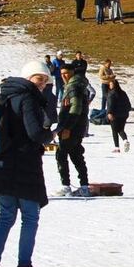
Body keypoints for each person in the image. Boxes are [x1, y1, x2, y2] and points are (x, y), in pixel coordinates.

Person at [0, 61, 54, 267]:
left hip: (1, 164)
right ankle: (24, 265)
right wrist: (50, 135)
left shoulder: (5, 95)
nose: (42, 84)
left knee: (5, 215)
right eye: (39, 78)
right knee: (30, 217)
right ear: (28, 78)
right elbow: (34, 133)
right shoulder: (28, 98)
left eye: (45, 80)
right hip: (24, 165)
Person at [53, 65, 90, 197]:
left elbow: (76, 107)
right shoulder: (79, 85)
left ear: (72, 73)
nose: (64, 76)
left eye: (66, 73)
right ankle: (84, 186)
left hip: (71, 127)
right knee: (76, 155)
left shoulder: (73, 87)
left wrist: (68, 127)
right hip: (78, 127)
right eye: (62, 73)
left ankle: (65, 186)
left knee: (61, 154)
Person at [105, 78, 131, 153]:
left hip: (114, 115)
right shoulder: (123, 93)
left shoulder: (111, 93)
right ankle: (125, 140)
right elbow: (128, 105)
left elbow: (110, 104)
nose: (110, 86)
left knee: (114, 130)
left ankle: (117, 148)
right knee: (120, 129)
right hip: (124, 114)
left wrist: (109, 113)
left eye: (111, 84)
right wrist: (126, 111)